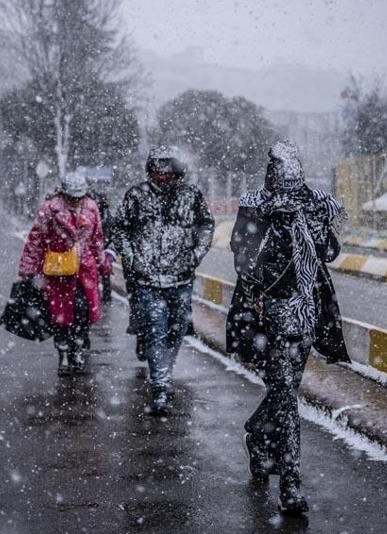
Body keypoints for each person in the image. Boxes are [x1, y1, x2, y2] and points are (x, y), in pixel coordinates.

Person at [227, 140, 349, 515]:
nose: (289, 190)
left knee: (285, 391)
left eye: (295, 182)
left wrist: (314, 223)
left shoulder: (312, 203)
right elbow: (244, 260)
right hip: (270, 315)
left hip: (308, 313)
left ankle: (257, 434)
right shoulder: (255, 205)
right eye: (284, 182)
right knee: (286, 400)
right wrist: (276, 228)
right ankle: (291, 482)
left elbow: (329, 252)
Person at [114, 146, 214, 414]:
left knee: (177, 328)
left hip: (181, 278)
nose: (163, 178)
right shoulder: (136, 196)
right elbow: (120, 227)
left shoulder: (191, 195)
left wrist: (196, 253)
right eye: (157, 172)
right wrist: (132, 257)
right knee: (156, 331)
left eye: (168, 173)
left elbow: (206, 224)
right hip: (147, 280)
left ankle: (164, 371)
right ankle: (161, 386)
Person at [18, 172, 112, 375]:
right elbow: (36, 240)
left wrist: (101, 262)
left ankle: (78, 349)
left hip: (84, 270)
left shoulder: (91, 208)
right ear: (63, 194)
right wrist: (28, 268)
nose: (76, 201)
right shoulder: (49, 210)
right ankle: (63, 354)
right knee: (60, 316)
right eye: (72, 197)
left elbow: (97, 238)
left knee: (83, 312)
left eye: (80, 197)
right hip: (57, 269)